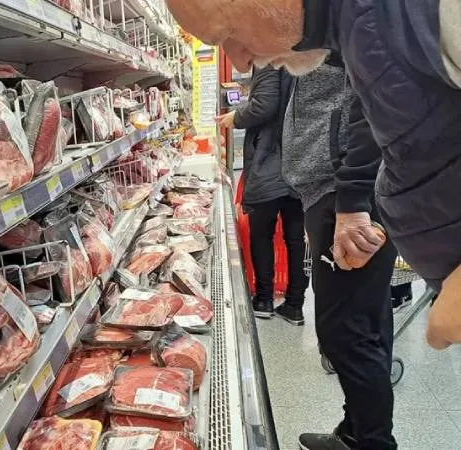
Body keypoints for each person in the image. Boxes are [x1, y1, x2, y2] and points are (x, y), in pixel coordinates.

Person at [166, 0, 461, 350]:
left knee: (351, 336)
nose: (240, 61)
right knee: (343, 334)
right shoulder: (352, 32)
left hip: (337, 195)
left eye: (228, 32)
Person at [281, 55, 397, 450]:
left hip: (345, 192)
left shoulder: (356, 26)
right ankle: (356, 432)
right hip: (340, 188)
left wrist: (352, 198)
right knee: (365, 324)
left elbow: (376, 95)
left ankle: (373, 443)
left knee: (347, 334)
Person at [216, 65, 308, 322]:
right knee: (296, 237)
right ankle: (295, 304)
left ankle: (264, 299)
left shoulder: (268, 57)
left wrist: (236, 117)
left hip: (269, 160)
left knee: (262, 233)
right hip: (298, 160)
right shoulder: (301, 56)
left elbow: (264, 106)